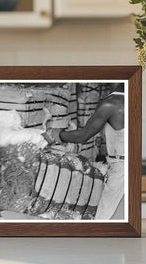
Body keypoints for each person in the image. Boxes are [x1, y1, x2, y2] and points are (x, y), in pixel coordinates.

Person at [46, 83, 125, 220]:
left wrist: (56, 134)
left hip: (122, 168)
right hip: (123, 163)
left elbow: (83, 136)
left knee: (106, 219)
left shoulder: (111, 103)